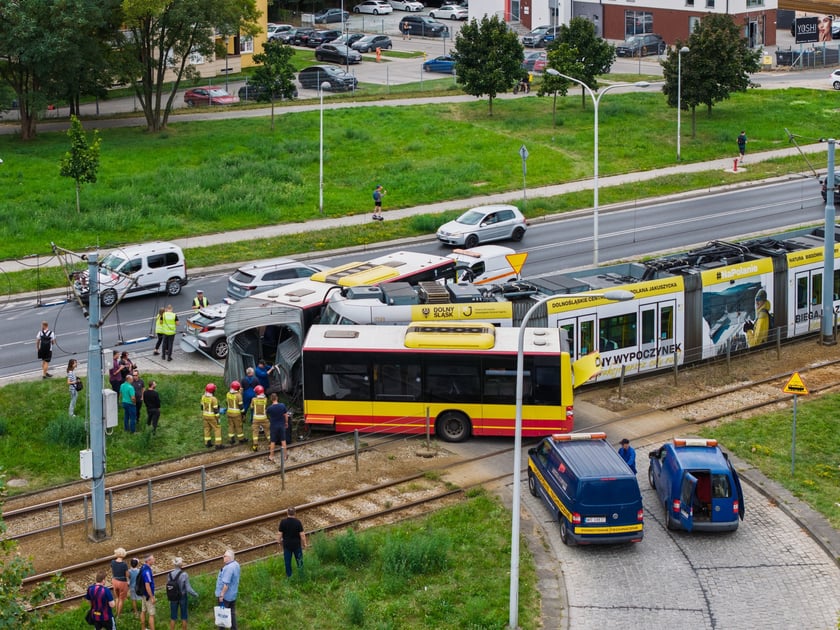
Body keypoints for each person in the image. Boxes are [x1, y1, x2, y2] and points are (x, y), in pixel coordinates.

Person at [168, 556, 198, 630]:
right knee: (184, 616)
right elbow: (188, 588)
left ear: (174, 565)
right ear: (181, 565)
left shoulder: (169, 575)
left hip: (173, 597)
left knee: (173, 617)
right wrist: (195, 594)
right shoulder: (184, 574)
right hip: (182, 597)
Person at [277, 507, 307, 578]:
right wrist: (304, 543)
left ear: (287, 513)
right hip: (296, 545)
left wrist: (278, 541)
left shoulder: (283, 522)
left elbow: (279, 534)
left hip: (287, 545)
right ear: (295, 513)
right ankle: (301, 575)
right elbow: (302, 535)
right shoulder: (298, 522)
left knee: (287, 562)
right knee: (299, 561)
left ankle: (289, 576)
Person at [215, 549, 241, 630]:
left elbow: (226, 584)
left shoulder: (228, 568)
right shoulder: (236, 564)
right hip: (233, 594)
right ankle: (234, 628)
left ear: (229, 558)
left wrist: (221, 595)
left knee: (222, 614)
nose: (223, 557)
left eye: (224, 556)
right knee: (232, 613)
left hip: (225, 596)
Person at [267, 393, 291, 463]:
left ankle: (271, 456)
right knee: (283, 440)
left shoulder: (269, 408)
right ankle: (285, 456)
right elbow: (286, 415)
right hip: (281, 425)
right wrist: (286, 423)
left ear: (271, 399)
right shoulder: (282, 405)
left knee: (273, 441)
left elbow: (267, 415)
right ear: (277, 398)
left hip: (273, 426)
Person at [201, 383, 224, 449]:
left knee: (207, 429)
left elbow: (201, 407)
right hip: (212, 416)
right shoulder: (214, 399)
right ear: (213, 391)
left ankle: (207, 443)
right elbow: (215, 410)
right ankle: (218, 444)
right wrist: (218, 417)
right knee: (217, 429)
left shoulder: (203, 397)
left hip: (205, 415)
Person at [139, 553, 157, 630]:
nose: (154, 560)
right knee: (151, 614)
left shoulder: (143, 567)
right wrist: (152, 597)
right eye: (153, 559)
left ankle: (143, 628)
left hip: (143, 594)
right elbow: (147, 585)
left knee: (143, 611)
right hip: (148, 595)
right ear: (148, 561)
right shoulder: (147, 571)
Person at [111, 547, 129, 618]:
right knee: (121, 599)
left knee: (117, 598)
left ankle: (116, 612)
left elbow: (113, 571)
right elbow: (127, 575)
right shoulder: (124, 564)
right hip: (122, 582)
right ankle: (119, 615)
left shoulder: (112, 562)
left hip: (115, 581)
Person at [250, 385, 269, 452]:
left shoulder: (254, 400)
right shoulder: (265, 399)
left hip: (256, 418)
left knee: (255, 432)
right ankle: (270, 443)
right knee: (267, 431)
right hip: (264, 418)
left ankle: (255, 445)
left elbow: (251, 407)